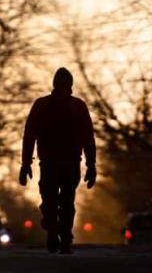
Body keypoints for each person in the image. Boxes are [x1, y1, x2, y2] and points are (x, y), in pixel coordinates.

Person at [19, 67, 96, 254]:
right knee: (62, 200)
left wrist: (26, 164)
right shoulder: (73, 106)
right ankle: (59, 234)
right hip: (61, 163)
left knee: (55, 200)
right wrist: (91, 165)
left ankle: (59, 234)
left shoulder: (47, 105)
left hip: (57, 163)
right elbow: (88, 138)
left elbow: (29, 136)